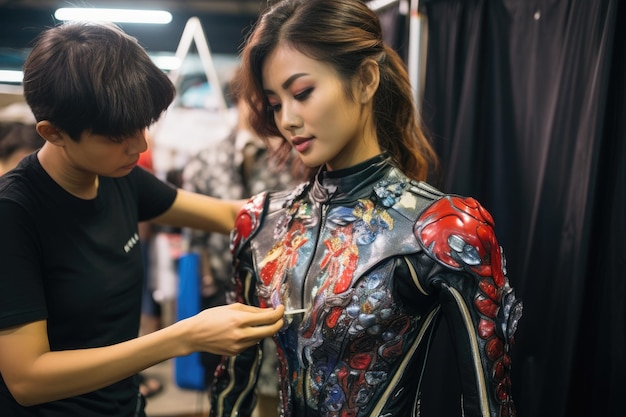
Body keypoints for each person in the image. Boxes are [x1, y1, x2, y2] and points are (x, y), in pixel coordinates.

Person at [209, 1, 523, 417]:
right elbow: (235, 379)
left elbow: (488, 403)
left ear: (366, 80)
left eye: (302, 93)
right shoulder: (260, 223)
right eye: (275, 103)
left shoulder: (442, 231)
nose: (287, 119)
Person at [0, 21, 284, 417]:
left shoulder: (119, 178)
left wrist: (324, 205)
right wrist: (184, 336)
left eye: (142, 127)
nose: (140, 145)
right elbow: (28, 379)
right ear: (54, 133)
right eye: (118, 136)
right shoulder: (14, 214)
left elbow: (231, 214)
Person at [183, 68, 298, 415]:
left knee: (282, 394)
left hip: (287, 300)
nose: (260, 108)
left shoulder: (296, 157)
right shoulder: (206, 159)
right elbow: (196, 237)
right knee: (231, 390)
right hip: (227, 297)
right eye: (255, 98)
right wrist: (205, 289)